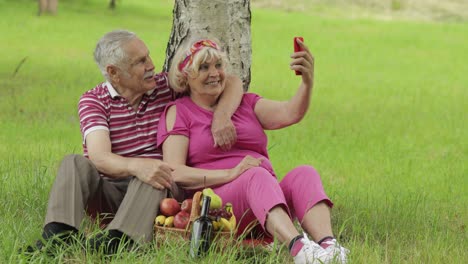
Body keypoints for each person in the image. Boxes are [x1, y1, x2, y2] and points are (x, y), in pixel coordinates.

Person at [24, 30, 243, 255]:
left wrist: (222, 116)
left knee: (155, 173)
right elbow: (100, 157)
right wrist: (136, 166)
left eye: (147, 56)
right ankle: (58, 236)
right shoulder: (94, 100)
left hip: (158, 193)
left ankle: (117, 243)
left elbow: (233, 82)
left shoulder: (166, 87)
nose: (151, 65)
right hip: (112, 192)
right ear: (114, 72)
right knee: (74, 162)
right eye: (140, 61)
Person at [157, 38, 349, 264]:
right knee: (256, 175)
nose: (215, 73)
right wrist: (232, 173)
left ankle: (329, 248)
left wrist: (307, 82)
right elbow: (176, 172)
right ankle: (300, 250)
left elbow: (290, 113)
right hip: (221, 205)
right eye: (204, 67)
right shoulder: (179, 112)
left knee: (304, 173)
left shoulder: (245, 103)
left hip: (265, 196)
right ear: (185, 76)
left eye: (218, 66)